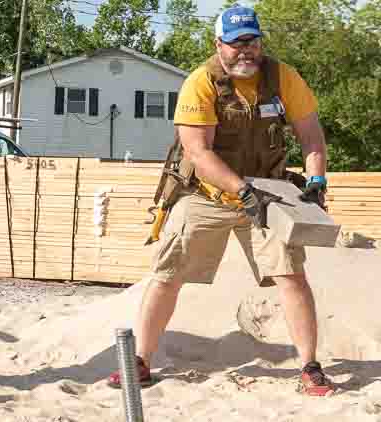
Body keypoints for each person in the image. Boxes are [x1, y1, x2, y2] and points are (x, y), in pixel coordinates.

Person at [103, 5, 335, 396]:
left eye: (253, 41)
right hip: (208, 194)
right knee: (167, 274)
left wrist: (316, 180)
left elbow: (311, 135)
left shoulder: (283, 77)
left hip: (269, 193)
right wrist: (242, 192)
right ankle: (140, 362)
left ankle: (310, 367)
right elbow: (198, 153)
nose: (246, 50)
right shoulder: (201, 82)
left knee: (292, 275)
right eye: (236, 42)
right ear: (219, 44)